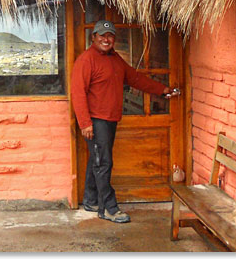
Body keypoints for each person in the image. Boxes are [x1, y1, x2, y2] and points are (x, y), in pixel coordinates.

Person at [71, 20, 174, 223]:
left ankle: (91, 200)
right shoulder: (86, 60)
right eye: (101, 35)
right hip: (96, 121)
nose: (106, 39)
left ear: (114, 39)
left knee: (97, 160)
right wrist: (85, 123)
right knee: (104, 163)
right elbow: (78, 93)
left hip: (110, 119)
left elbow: (135, 79)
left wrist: (162, 90)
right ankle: (109, 208)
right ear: (94, 38)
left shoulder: (115, 59)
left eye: (109, 36)